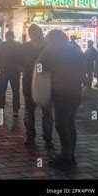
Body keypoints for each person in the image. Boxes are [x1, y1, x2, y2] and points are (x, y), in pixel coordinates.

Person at [39, 30, 84, 170]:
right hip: (75, 92)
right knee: (70, 124)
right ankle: (70, 154)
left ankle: (66, 157)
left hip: (61, 93)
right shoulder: (76, 50)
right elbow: (84, 68)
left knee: (61, 125)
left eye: (49, 40)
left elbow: (41, 69)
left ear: (54, 41)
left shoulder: (51, 52)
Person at [21, 24, 53, 147]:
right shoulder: (47, 48)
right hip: (44, 83)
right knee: (45, 113)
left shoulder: (26, 47)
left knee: (31, 112)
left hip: (33, 82)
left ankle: (32, 137)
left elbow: (19, 64)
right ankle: (46, 139)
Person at [0, 31, 22, 116]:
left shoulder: (1, 45)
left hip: (4, 70)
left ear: (6, 36)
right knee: (16, 91)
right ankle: (15, 110)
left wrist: (0, 66)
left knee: (2, 90)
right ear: (13, 36)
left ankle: (1, 108)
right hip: (15, 71)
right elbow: (23, 58)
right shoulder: (18, 45)